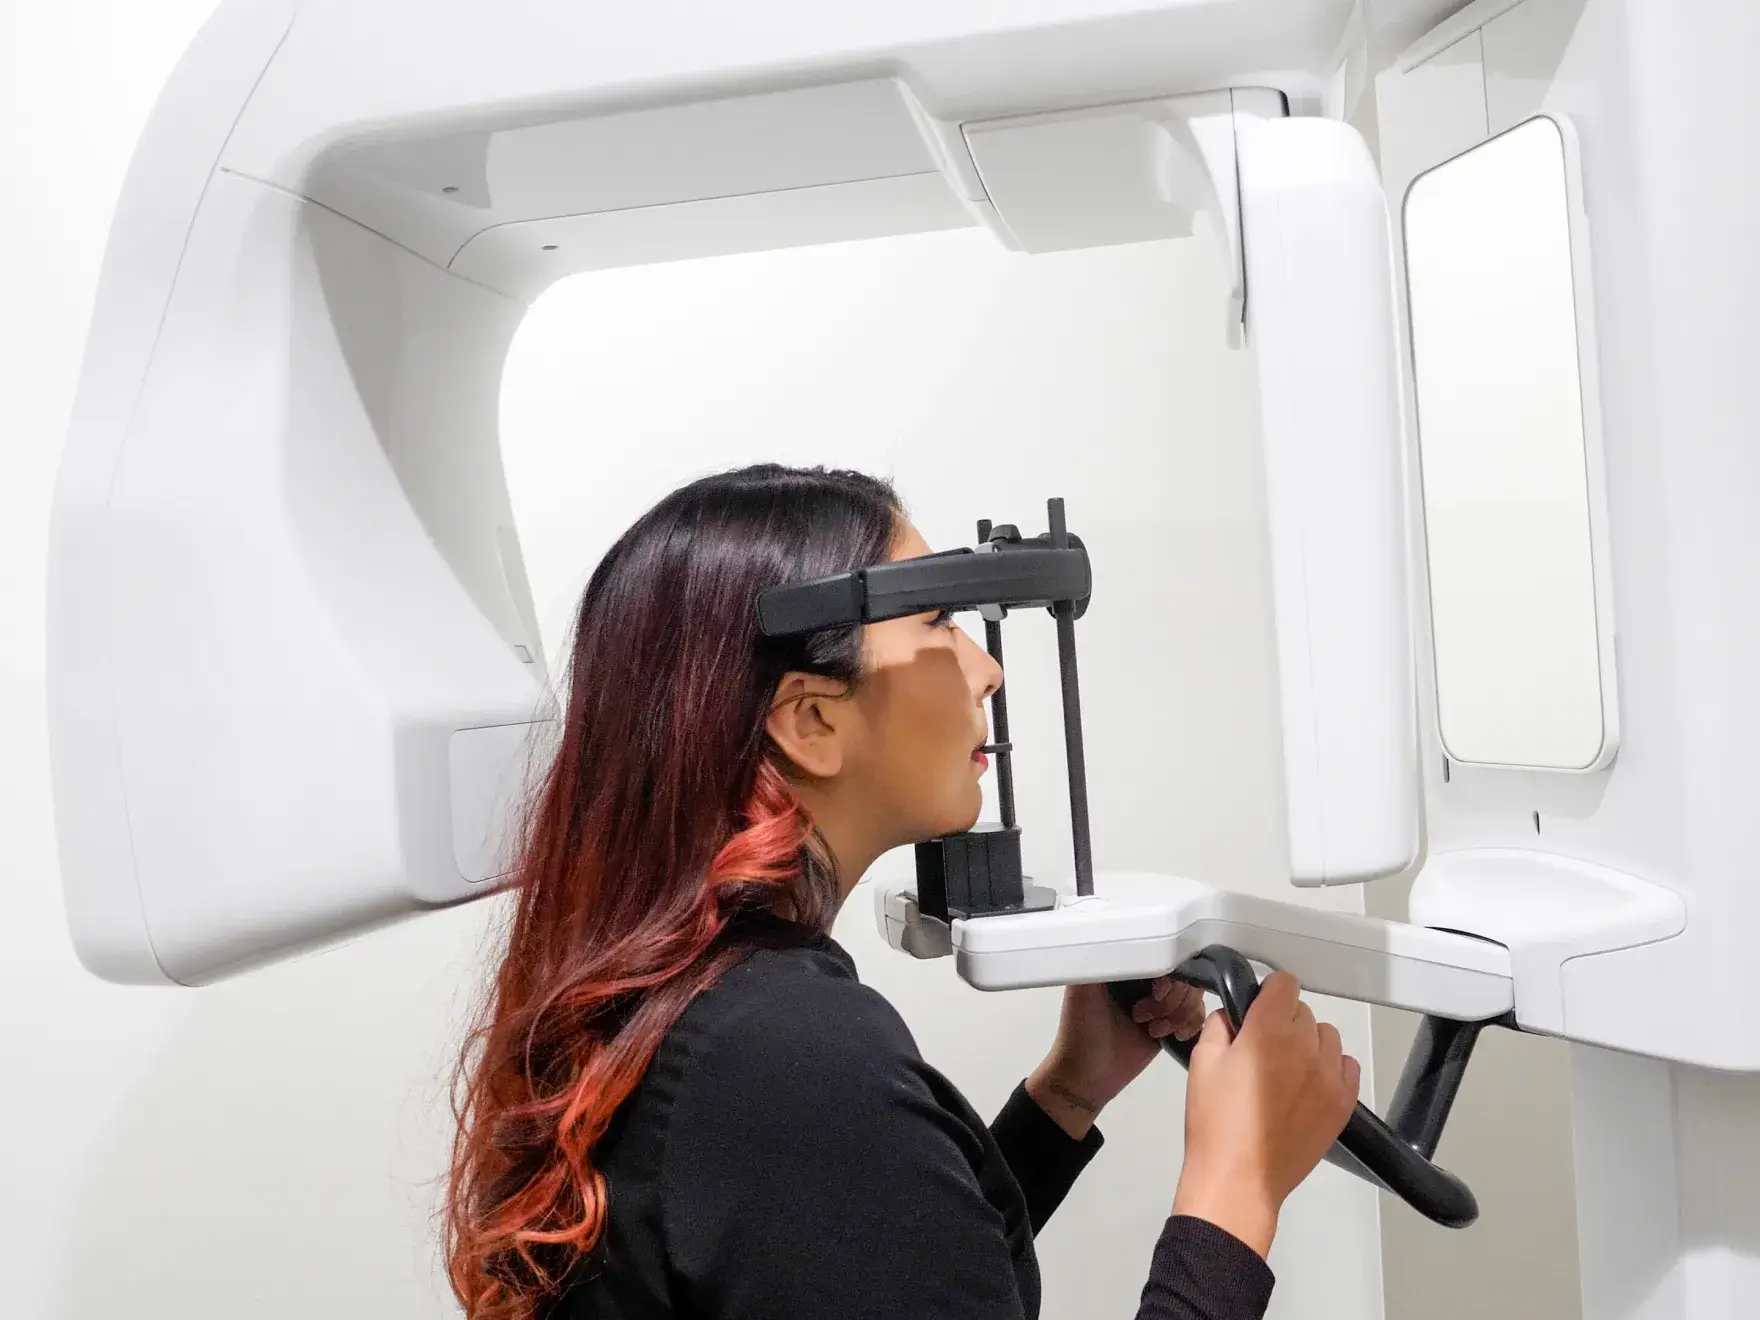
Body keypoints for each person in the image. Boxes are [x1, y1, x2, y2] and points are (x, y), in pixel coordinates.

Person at [444, 464, 1361, 1320]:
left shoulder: (710, 1014)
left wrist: (1065, 1099)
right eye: (937, 625)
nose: (986, 670)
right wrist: (1233, 1195)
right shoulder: (790, 1061)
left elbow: (858, 1267)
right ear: (811, 720)